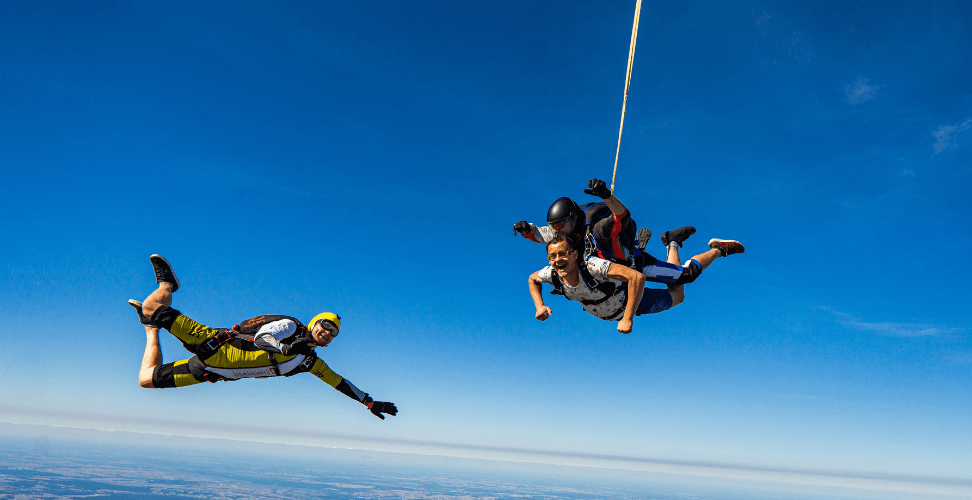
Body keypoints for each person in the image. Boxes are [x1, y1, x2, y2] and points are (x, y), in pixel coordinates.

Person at [131, 255, 398, 420]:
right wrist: (288, 347)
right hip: (212, 343)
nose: (327, 332)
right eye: (325, 325)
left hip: (208, 370)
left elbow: (339, 382)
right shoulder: (291, 327)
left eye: (333, 333)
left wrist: (368, 401)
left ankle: (150, 328)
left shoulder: (310, 362)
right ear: (314, 322)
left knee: (146, 380)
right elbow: (262, 339)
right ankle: (168, 285)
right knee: (152, 306)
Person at [528, 233, 744, 334]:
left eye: (563, 254)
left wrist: (628, 318)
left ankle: (719, 249)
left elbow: (636, 278)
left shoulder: (591, 266)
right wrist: (539, 305)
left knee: (680, 291)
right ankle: (672, 242)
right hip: (615, 309)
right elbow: (532, 279)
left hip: (632, 302)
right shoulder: (551, 273)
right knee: (678, 286)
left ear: (575, 254)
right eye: (552, 256)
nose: (557, 260)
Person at [514, 178, 706, 287]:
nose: (557, 231)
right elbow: (541, 234)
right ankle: (653, 243)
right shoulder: (563, 232)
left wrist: (606, 195)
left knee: (686, 276)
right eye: (554, 227)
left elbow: (622, 216)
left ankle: (710, 248)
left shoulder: (596, 227)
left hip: (634, 264)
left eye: (560, 225)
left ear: (573, 219)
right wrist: (527, 229)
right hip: (608, 267)